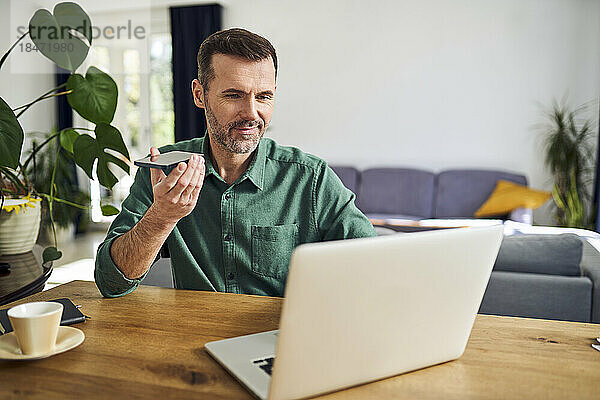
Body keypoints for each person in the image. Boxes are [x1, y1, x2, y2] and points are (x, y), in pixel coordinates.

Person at [94, 28, 376, 298]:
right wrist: (161, 217)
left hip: (279, 338)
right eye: (233, 95)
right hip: (194, 337)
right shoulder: (164, 175)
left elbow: (375, 267)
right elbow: (111, 283)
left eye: (264, 96)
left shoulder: (311, 179)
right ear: (199, 94)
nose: (251, 113)